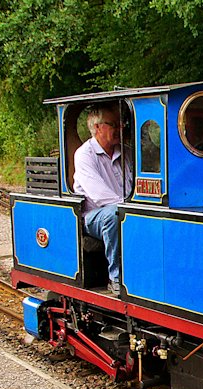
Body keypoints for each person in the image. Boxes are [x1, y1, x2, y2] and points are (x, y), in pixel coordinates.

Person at [73, 104, 132, 295]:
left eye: (121, 124)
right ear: (97, 127)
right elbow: (100, 196)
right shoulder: (84, 155)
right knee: (115, 215)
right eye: (113, 124)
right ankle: (116, 277)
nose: (119, 129)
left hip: (124, 207)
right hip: (93, 216)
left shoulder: (126, 152)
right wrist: (135, 208)